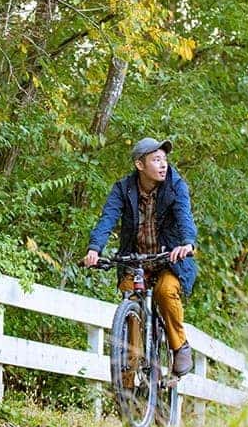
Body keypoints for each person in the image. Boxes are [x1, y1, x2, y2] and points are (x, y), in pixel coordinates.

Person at [83, 137, 197, 375]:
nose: (163, 165)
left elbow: (185, 217)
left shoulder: (176, 185)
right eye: (156, 160)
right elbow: (108, 219)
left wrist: (187, 244)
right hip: (136, 260)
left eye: (164, 159)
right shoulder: (123, 188)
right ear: (140, 164)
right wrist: (94, 248)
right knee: (129, 296)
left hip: (170, 260)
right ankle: (127, 377)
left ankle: (180, 347)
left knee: (165, 292)